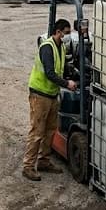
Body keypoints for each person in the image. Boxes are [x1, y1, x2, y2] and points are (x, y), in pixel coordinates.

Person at [23, 18, 77, 181]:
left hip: (52, 94)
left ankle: (44, 161)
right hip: (40, 94)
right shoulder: (47, 47)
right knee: (37, 132)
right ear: (58, 32)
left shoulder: (61, 47)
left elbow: (63, 68)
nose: (68, 36)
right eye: (66, 33)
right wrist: (67, 83)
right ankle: (28, 166)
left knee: (50, 130)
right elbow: (50, 73)